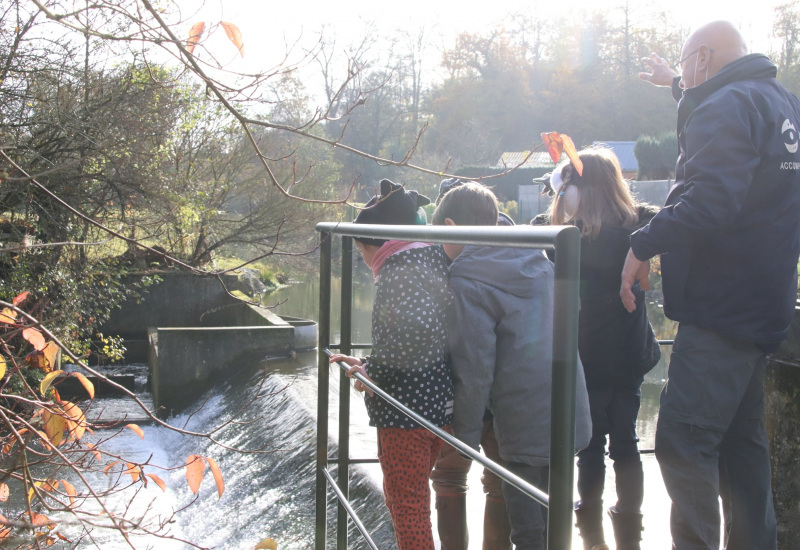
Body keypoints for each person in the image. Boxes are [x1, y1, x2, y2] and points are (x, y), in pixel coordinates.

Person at [622, 20, 800, 550]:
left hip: (722, 305)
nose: (686, 77)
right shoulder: (782, 103)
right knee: (741, 447)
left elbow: (710, 199)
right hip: (764, 305)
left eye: (687, 65)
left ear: (702, 57)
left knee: (681, 443)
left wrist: (641, 244)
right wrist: (675, 83)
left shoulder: (723, 108)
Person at [432, 181, 592, 550]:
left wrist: (465, 439)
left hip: (522, 418)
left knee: (527, 529)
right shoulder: (534, 255)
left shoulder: (469, 279)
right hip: (568, 407)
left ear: (452, 228)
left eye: (440, 238)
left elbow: (474, 369)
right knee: (556, 516)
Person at [532, 148, 661, 550]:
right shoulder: (638, 227)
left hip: (585, 358)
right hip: (628, 356)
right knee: (626, 444)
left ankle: (590, 529)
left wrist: (561, 191)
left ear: (575, 190)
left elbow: (538, 227)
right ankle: (629, 522)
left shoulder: (567, 235)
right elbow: (659, 217)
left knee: (588, 447)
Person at [329, 179, 453, 550]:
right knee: (415, 501)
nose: (365, 262)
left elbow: (412, 335)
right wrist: (371, 363)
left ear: (377, 243)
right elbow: (419, 336)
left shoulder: (399, 268)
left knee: (408, 505)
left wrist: (373, 374)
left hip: (405, 415)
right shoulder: (430, 257)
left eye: (362, 251)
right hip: (435, 404)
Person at [430, 178, 514, 550]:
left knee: (449, 474)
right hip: (512, 392)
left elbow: (472, 360)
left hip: (465, 389)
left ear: (452, 225)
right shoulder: (520, 253)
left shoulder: (457, 268)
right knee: (500, 480)